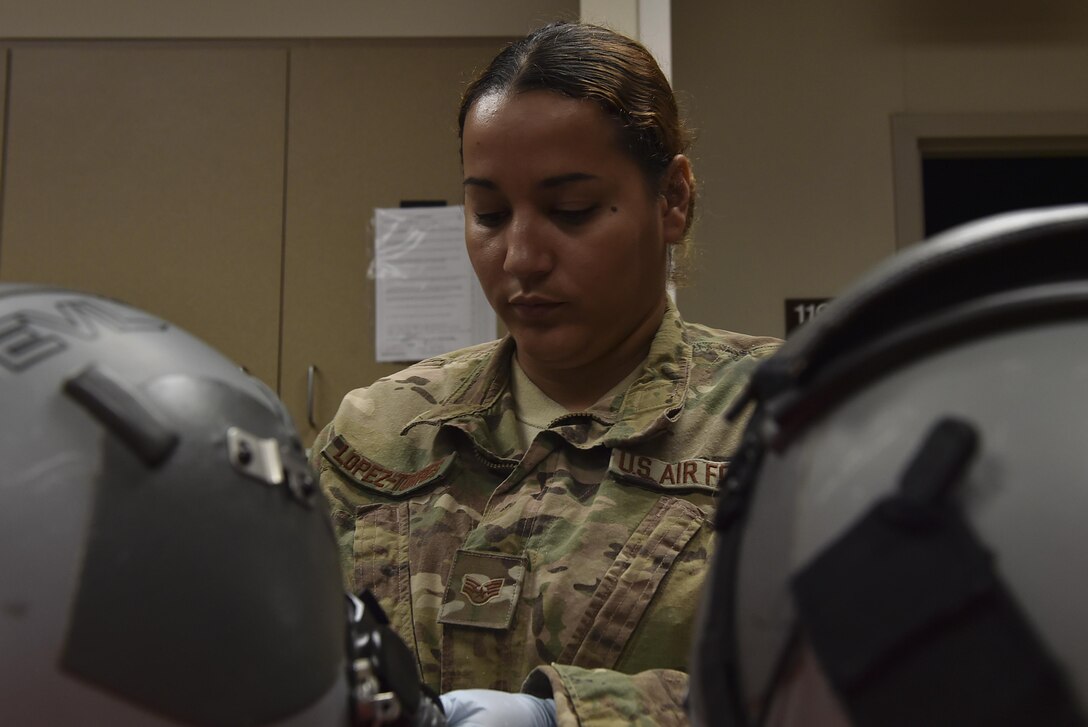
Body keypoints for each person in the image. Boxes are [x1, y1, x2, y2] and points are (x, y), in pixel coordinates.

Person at [311, 20, 780, 726]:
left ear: (673, 199)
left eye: (571, 211)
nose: (521, 257)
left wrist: (573, 718)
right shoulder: (380, 432)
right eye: (489, 214)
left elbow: (870, 688)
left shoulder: (785, 422)